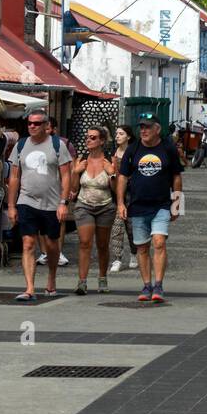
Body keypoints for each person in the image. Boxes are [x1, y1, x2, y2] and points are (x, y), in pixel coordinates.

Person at [116, 112, 182, 304]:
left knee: (159, 242)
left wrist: (177, 204)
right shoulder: (133, 149)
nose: (143, 130)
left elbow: (177, 176)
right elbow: (122, 177)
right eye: (141, 127)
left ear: (157, 129)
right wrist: (121, 203)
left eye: (147, 127)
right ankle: (147, 285)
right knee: (142, 247)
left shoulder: (168, 148)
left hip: (161, 204)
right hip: (137, 205)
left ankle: (159, 285)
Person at [7, 109, 72, 302]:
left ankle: (51, 278)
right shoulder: (20, 145)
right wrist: (11, 205)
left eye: (37, 123)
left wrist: (63, 202)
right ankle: (29, 288)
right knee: (28, 243)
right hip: (26, 201)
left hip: (51, 203)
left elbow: (66, 175)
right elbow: (14, 176)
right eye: (30, 123)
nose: (32, 126)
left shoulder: (57, 145)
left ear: (46, 126)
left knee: (52, 246)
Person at [72, 125, 117, 294]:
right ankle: (82, 282)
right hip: (84, 205)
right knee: (84, 243)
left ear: (102, 141)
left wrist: (112, 173)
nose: (88, 140)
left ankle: (102, 277)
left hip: (105, 206)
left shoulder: (109, 161)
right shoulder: (82, 160)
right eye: (87, 137)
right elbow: (73, 189)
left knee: (102, 245)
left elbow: (114, 188)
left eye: (93, 137)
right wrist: (76, 172)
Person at [36, 118, 72, 268]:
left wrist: (69, 189)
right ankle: (44, 252)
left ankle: (58, 251)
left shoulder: (63, 144)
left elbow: (69, 169)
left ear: (54, 129)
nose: (45, 130)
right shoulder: (32, 144)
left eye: (48, 128)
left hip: (57, 189)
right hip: (37, 189)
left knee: (59, 220)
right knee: (39, 221)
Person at [109, 125, 139, 273]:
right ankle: (117, 259)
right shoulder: (112, 154)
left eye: (121, 134)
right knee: (116, 228)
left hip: (132, 195)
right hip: (115, 195)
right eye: (116, 134)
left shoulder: (134, 152)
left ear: (128, 136)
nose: (117, 136)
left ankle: (134, 253)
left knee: (131, 229)